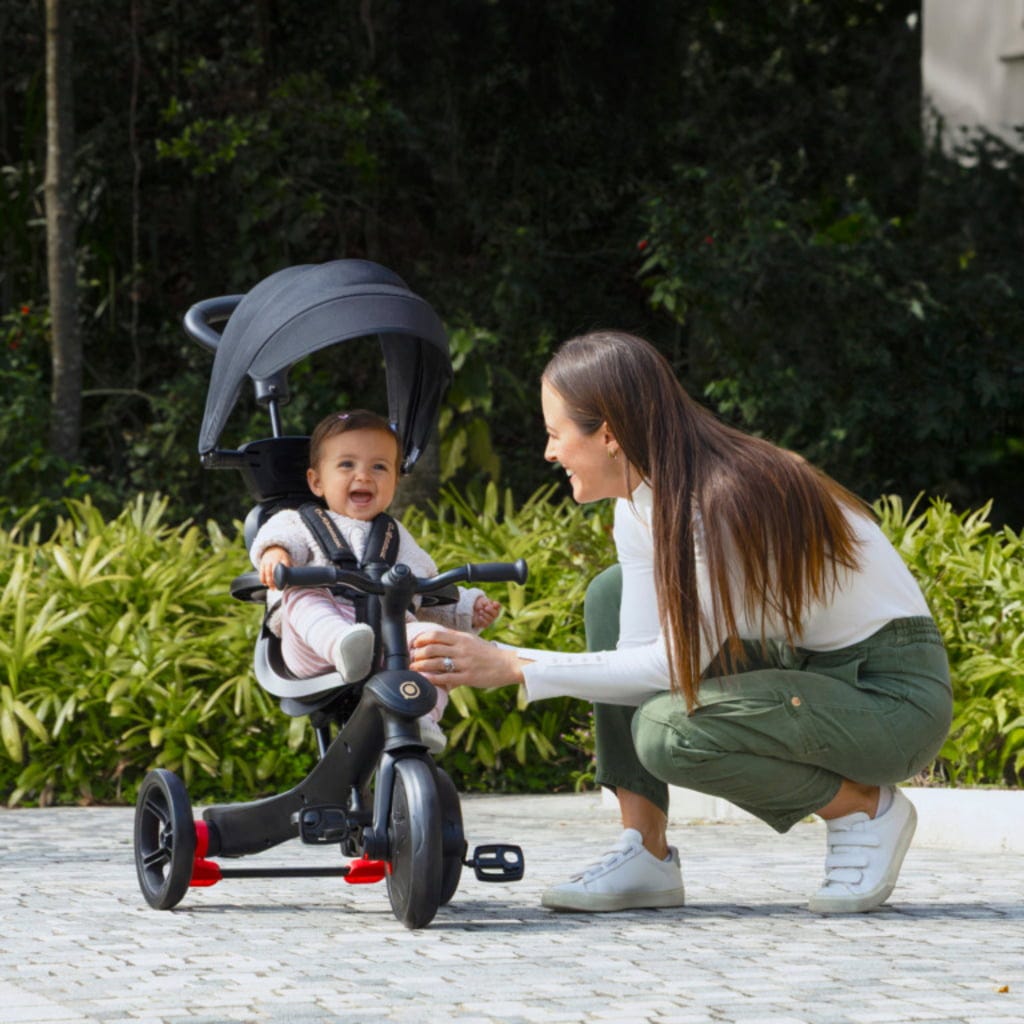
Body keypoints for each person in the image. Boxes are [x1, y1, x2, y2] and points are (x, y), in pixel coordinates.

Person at [409, 330, 952, 913]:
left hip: (889, 699)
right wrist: (516, 663)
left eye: (554, 433)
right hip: (806, 671)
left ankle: (863, 810)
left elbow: (669, 668)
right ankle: (645, 849)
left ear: (609, 435)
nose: (548, 453)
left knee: (667, 732)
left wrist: (513, 664)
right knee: (611, 594)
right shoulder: (641, 504)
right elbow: (638, 660)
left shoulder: (714, 501)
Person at [251, 409, 502, 753]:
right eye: (347, 465)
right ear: (316, 481)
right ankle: (341, 643)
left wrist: (467, 609)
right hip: (312, 646)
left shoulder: (396, 538)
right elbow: (275, 537)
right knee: (302, 594)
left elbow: (425, 587)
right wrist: (275, 553)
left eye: (379, 467)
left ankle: (423, 718)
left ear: (395, 481)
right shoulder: (298, 521)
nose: (363, 476)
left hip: (384, 639)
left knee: (431, 644)